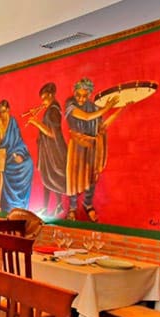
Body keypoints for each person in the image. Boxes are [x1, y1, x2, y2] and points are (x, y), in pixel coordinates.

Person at [64, 77, 124, 221]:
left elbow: (102, 126)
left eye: (84, 96)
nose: (80, 99)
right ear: (74, 92)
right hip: (77, 146)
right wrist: (107, 108)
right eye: (78, 95)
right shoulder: (70, 103)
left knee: (92, 177)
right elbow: (86, 117)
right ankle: (72, 208)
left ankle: (88, 204)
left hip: (92, 147)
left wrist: (120, 109)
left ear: (89, 94)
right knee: (74, 178)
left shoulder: (94, 107)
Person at [27, 82, 68, 217]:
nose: (42, 102)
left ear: (51, 95)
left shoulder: (53, 110)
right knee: (47, 178)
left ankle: (59, 206)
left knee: (53, 178)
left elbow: (52, 133)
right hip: (48, 150)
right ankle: (45, 207)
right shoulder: (51, 109)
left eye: (44, 98)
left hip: (54, 150)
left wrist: (36, 123)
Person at [0, 99, 34, 211]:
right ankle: (9, 204)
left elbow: (18, 141)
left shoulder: (13, 122)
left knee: (29, 163)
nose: (2, 114)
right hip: (3, 156)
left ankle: (21, 203)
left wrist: (19, 154)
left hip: (14, 152)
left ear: (8, 110)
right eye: (0, 112)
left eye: (4, 111)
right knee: (5, 168)